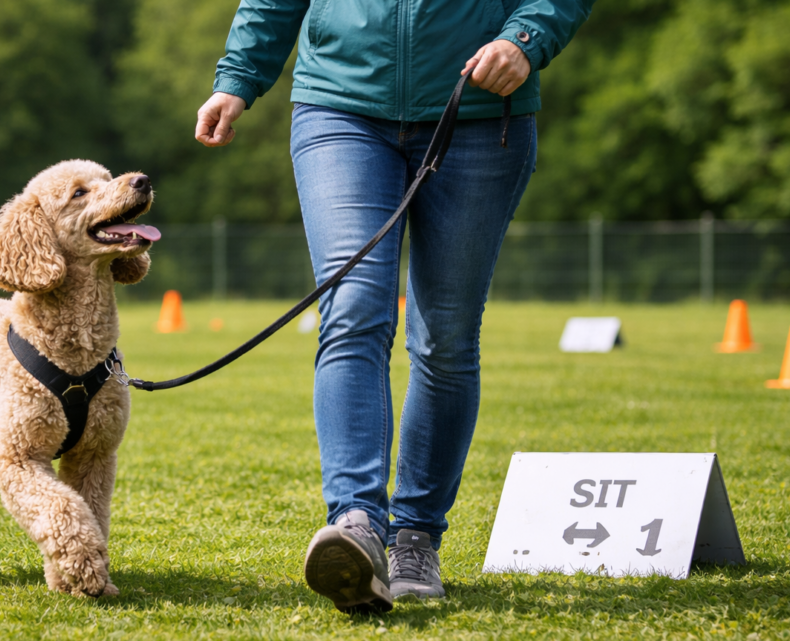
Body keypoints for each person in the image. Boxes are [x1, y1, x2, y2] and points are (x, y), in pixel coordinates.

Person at [196, 0, 593, 613]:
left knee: (446, 337)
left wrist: (526, 38)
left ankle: (415, 537)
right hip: (341, 107)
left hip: (480, 112)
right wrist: (237, 78)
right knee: (352, 308)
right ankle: (357, 523)